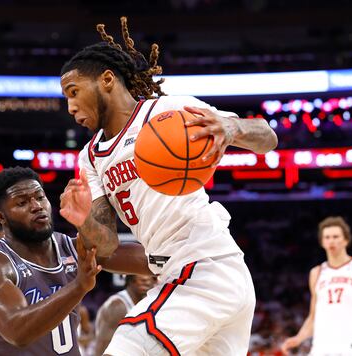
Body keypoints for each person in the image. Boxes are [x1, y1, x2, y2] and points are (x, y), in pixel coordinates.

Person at [59, 17, 277, 356]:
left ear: (106, 80)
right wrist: (82, 220)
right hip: (181, 275)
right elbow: (107, 250)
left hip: (205, 267)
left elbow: (267, 137)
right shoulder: (90, 158)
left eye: (74, 92)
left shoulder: (169, 112)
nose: (70, 106)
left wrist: (230, 128)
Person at [0, 167, 152, 355]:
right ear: (1, 217)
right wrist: (79, 286)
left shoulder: (72, 248)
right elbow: (18, 332)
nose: (36, 206)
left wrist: (88, 220)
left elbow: (150, 262)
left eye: (40, 197)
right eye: (22, 202)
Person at [281, 216, 352, 356]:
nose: (331, 241)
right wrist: (299, 338)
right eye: (327, 237)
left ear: (346, 240)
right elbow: (314, 316)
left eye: (335, 236)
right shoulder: (316, 273)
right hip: (321, 348)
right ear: (322, 242)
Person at [94, 275, 157, 355]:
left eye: (150, 275)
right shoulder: (117, 306)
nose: (145, 278)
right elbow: (103, 345)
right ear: (129, 278)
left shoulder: (145, 304)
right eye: (139, 273)